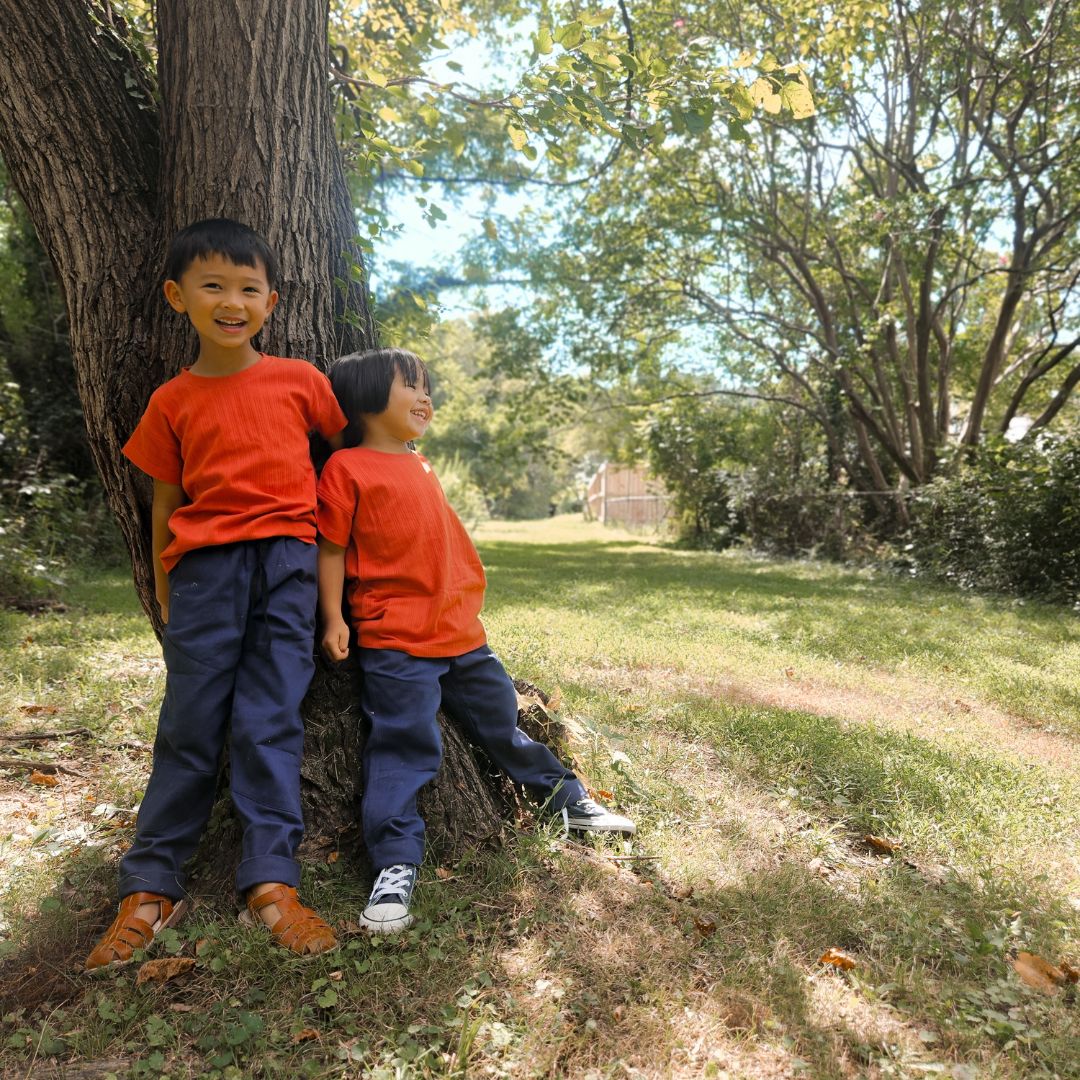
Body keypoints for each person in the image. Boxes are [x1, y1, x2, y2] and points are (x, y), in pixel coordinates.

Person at [85, 218, 346, 970]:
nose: (232, 302)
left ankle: (270, 881)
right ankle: (150, 886)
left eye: (248, 289)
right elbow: (165, 503)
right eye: (213, 286)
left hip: (290, 567)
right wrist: (168, 588)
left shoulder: (302, 382)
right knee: (190, 725)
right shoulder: (172, 400)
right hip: (205, 574)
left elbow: (343, 463)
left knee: (269, 721)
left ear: (271, 301)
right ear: (178, 296)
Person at [316, 347, 635, 935]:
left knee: (502, 722)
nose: (424, 396)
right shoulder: (347, 469)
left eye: (426, 386)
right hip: (395, 640)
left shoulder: (421, 463)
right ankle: (394, 863)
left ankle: (567, 801)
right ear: (364, 400)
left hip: (462, 633)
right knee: (402, 747)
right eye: (409, 386)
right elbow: (331, 549)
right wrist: (333, 616)